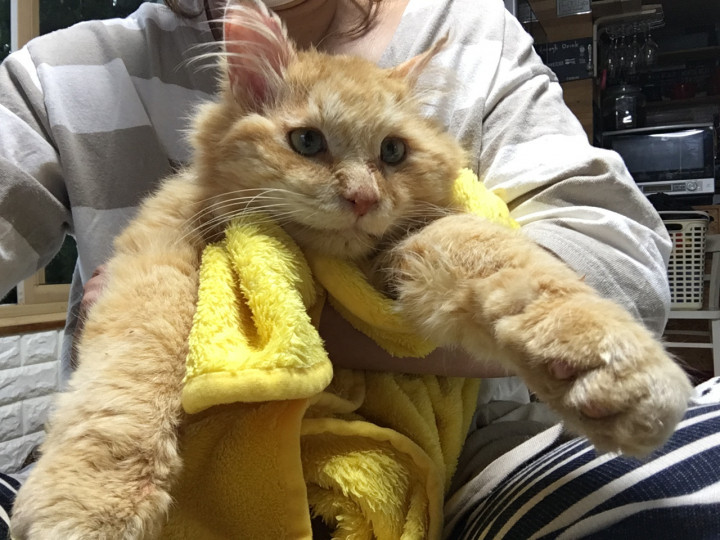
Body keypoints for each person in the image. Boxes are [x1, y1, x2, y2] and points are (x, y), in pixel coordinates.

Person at [0, 0, 718, 537]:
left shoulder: (472, 29)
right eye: (310, 143)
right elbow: (156, 271)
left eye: (392, 154)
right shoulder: (63, 71)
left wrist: (263, 321)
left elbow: (620, 260)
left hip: (460, 484)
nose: (361, 192)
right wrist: (120, 441)